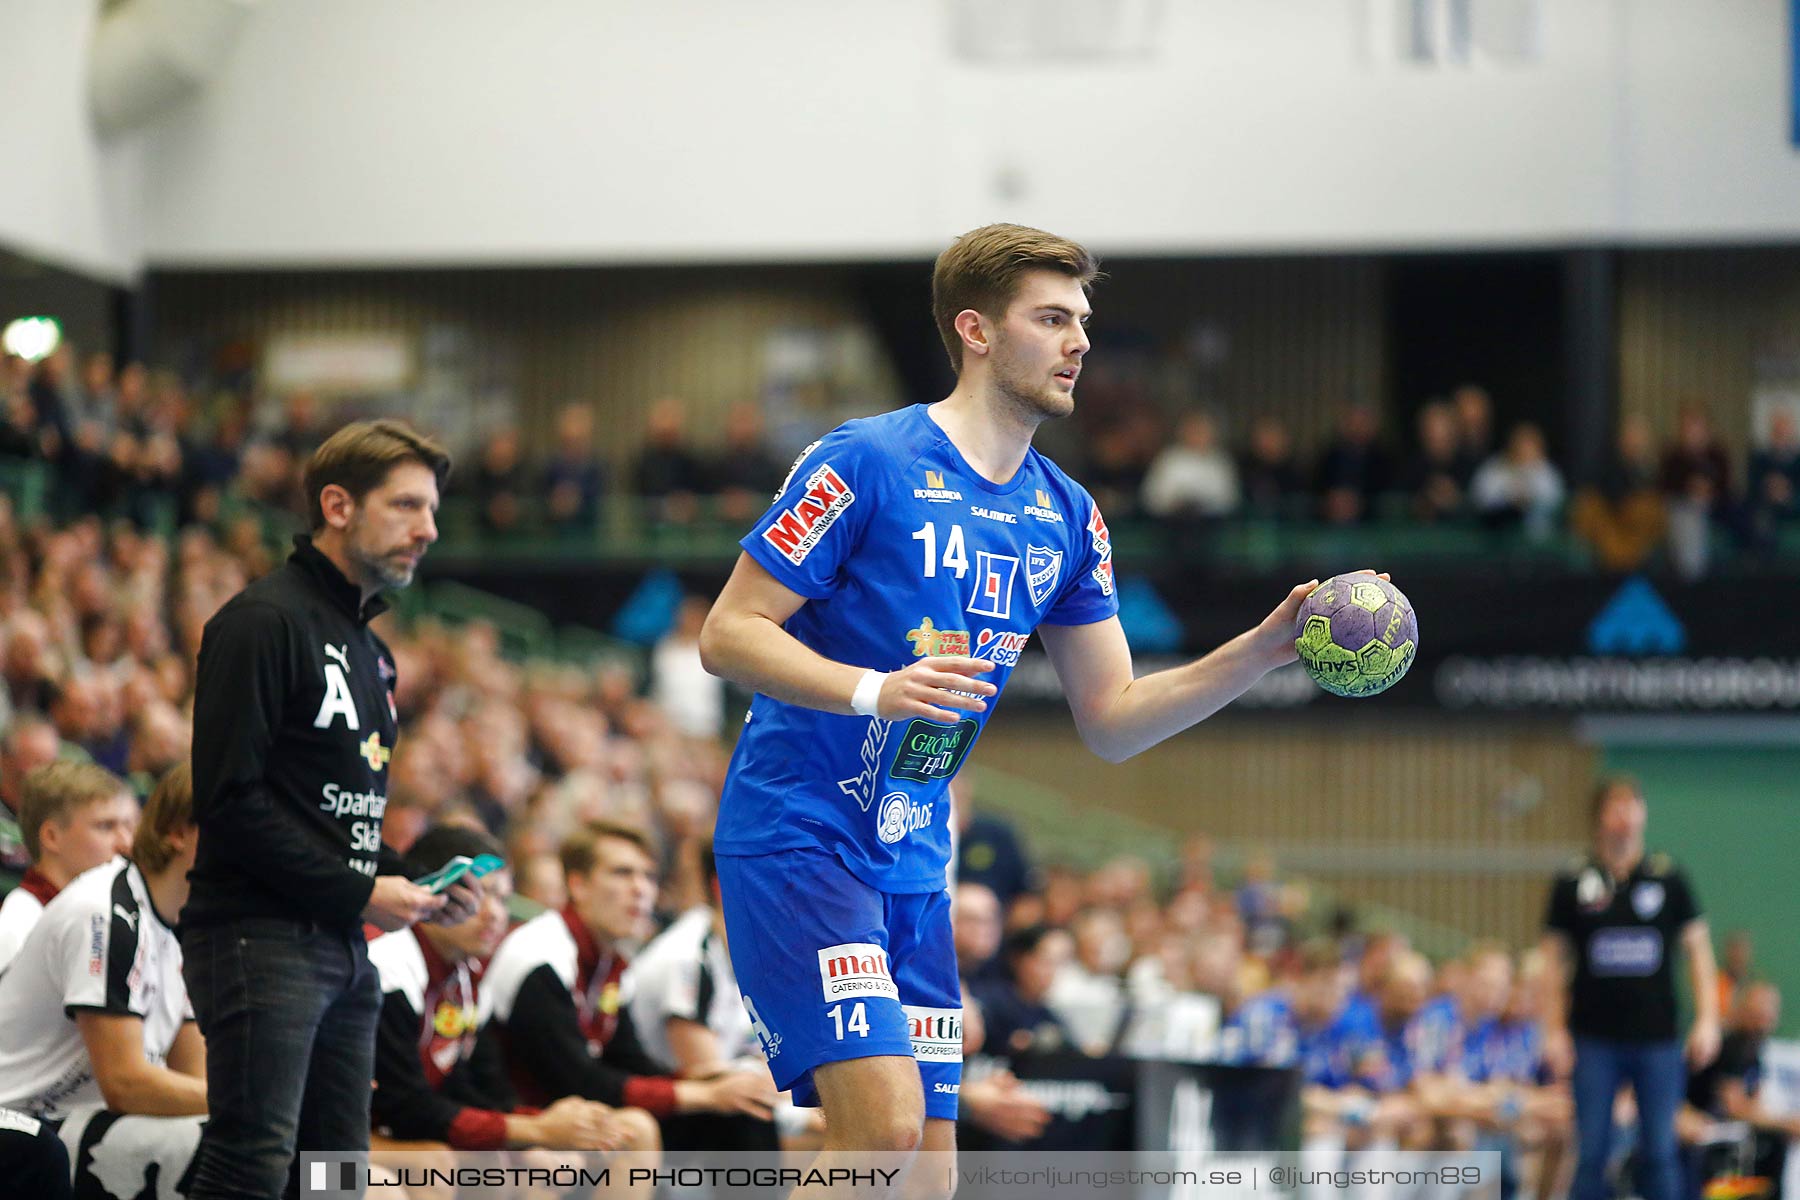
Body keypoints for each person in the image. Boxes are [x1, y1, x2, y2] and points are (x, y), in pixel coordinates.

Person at [699, 223, 1366, 1189]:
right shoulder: (865, 460)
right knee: (879, 1130)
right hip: (801, 833)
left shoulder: (1066, 513)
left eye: (1082, 320)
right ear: (975, 330)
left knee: (932, 1172)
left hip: (915, 858)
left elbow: (1117, 717)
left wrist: (1264, 649)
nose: (1079, 341)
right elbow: (729, 632)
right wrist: (874, 691)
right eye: (1051, 318)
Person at [181, 419, 479, 1200]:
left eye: (433, 511)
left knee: (336, 1174)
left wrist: (414, 881)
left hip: (343, 946)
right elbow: (228, 801)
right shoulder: (260, 622)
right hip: (258, 935)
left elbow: (336, 819)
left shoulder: (371, 649)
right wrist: (358, 891)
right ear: (338, 505)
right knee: (251, 1162)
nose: (429, 530)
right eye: (408, 506)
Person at [478, 822, 779, 1128]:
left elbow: (628, 1061)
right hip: (518, 1117)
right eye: (622, 873)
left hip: (571, 1111)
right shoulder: (541, 956)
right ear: (578, 885)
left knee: (742, 1108)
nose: (640, 889)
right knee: (645, 1127)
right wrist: (700, 1093)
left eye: (648, 876)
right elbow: (577, 1079)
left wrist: (699, 1079)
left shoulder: (613, 962)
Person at [368, 824, 643, 1156]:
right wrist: (536, 1129)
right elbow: (406, 1107)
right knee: (435, 1166)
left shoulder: (464, 976)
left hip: (381, 1137)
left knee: (524, 1162)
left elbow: (472, 1089)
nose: (494, 913)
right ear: (427, 889)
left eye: (501, 898)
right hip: (317, 1162)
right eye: (477, 894)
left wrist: (541, 1127)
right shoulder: (389, 963)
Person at [0, 765, 206, 1197]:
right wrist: (253, 1103)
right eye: (106, 825)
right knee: (245, 1146)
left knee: (313, 1153)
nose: (123, 840)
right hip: (26, 1117)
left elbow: (195, 1076)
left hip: (83, 1115)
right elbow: (125, 1083)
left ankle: (364, 1186)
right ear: (179, 834)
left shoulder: (177, 924)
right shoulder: (101, 909)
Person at [1540, 776, 1719, 1200]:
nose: (1625, 815)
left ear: (1643, 814)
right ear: (1599, 817)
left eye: (1633, 805)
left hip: (1657, 1040)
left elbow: (1698, 953)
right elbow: (1550, 962)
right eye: (1615, 806)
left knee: (1659, 1150)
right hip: (1593, 1040)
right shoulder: (1573, 880)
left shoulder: (1668, 877)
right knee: (1592, 1152)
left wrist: (1708, 1019)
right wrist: (1552, 1030)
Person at [625, 841, 791, 1151]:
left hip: (713, 1106)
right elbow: (710, 1078)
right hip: (671, 1115)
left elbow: (760, 1056)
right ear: (722, 887)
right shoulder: (686, 959)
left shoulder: (745, 950)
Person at [0, 761, 137, 974]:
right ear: (52, 837)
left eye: (127, 826)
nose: (125, 843)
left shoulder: (104, 914)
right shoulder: (21, 924)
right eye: (105, 826)